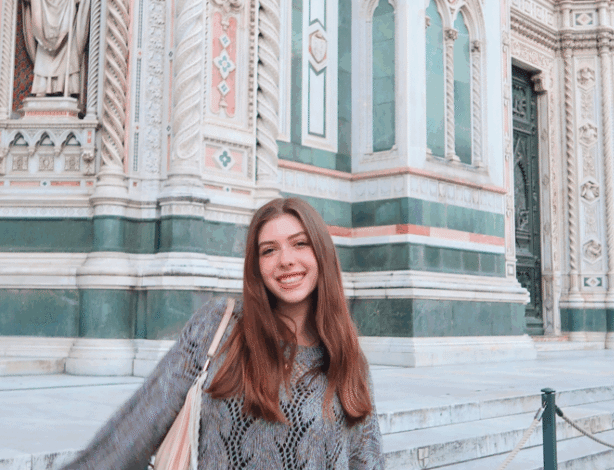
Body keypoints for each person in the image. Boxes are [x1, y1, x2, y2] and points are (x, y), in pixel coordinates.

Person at [61, 197, 384, 469]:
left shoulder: (348, 359)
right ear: (256, 265)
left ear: (321, 253)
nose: (286, 260)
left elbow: (366, 459)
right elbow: (138, 425)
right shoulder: (218, 324)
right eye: (268, 250)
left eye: (300, 243)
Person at [21, 0, 90, 97]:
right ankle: (45, 85)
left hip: (61, 12)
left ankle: (58, 84)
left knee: (67, 46)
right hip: (53, 11)